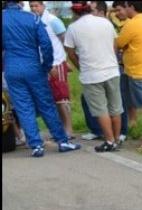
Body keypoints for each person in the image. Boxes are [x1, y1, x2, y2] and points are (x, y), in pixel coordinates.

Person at [2, 0, 81, 157]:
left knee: (24, 107)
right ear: (20, 3)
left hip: (12, 67)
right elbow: (46, 44)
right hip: (33, 66)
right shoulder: (33, 18)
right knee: (46, 104)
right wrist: (47, 66)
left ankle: (36, 145)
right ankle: (62, 141)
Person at [64, 0, 123, 152]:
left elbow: (70, 52)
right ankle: (116, 139)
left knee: (101, 110)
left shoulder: (72, 28)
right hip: (112, 70)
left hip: (91, 74)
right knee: (115, 108)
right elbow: (115, 45)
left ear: (74, 11)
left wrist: (80, 67)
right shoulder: (105, 22)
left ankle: (109, 141)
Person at [115, 0, 142, 150]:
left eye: (126, 6)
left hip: (139, 72)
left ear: (132, 7)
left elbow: (118, 43)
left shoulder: (132, 24)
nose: (124, 9)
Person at [29, 0, 74, 140]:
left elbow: (65, 42)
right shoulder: (33, 21)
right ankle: (59, 128)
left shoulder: (53, 21)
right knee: (50, 99)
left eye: (36, 5)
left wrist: (65, 61)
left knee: (61, 98)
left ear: (43, 6)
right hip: (42, 65)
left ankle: (69, 129)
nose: (34, 8)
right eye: (31, 6)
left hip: (56, 63)